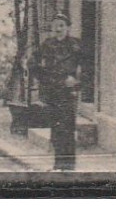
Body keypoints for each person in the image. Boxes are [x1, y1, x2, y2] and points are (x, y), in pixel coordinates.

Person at [33, 13, 83, 171]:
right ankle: (57, 164)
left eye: (61, 25)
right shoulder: (47, 44)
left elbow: (89, 68)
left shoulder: (76, 45)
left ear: (68, 28)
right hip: (52, 91)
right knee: (55, 128)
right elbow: (32, 62)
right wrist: (44, 78)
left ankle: (69, 167)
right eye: (55, 26)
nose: (58, 29)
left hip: (68, 92)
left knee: (67, 128)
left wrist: (77, 81)